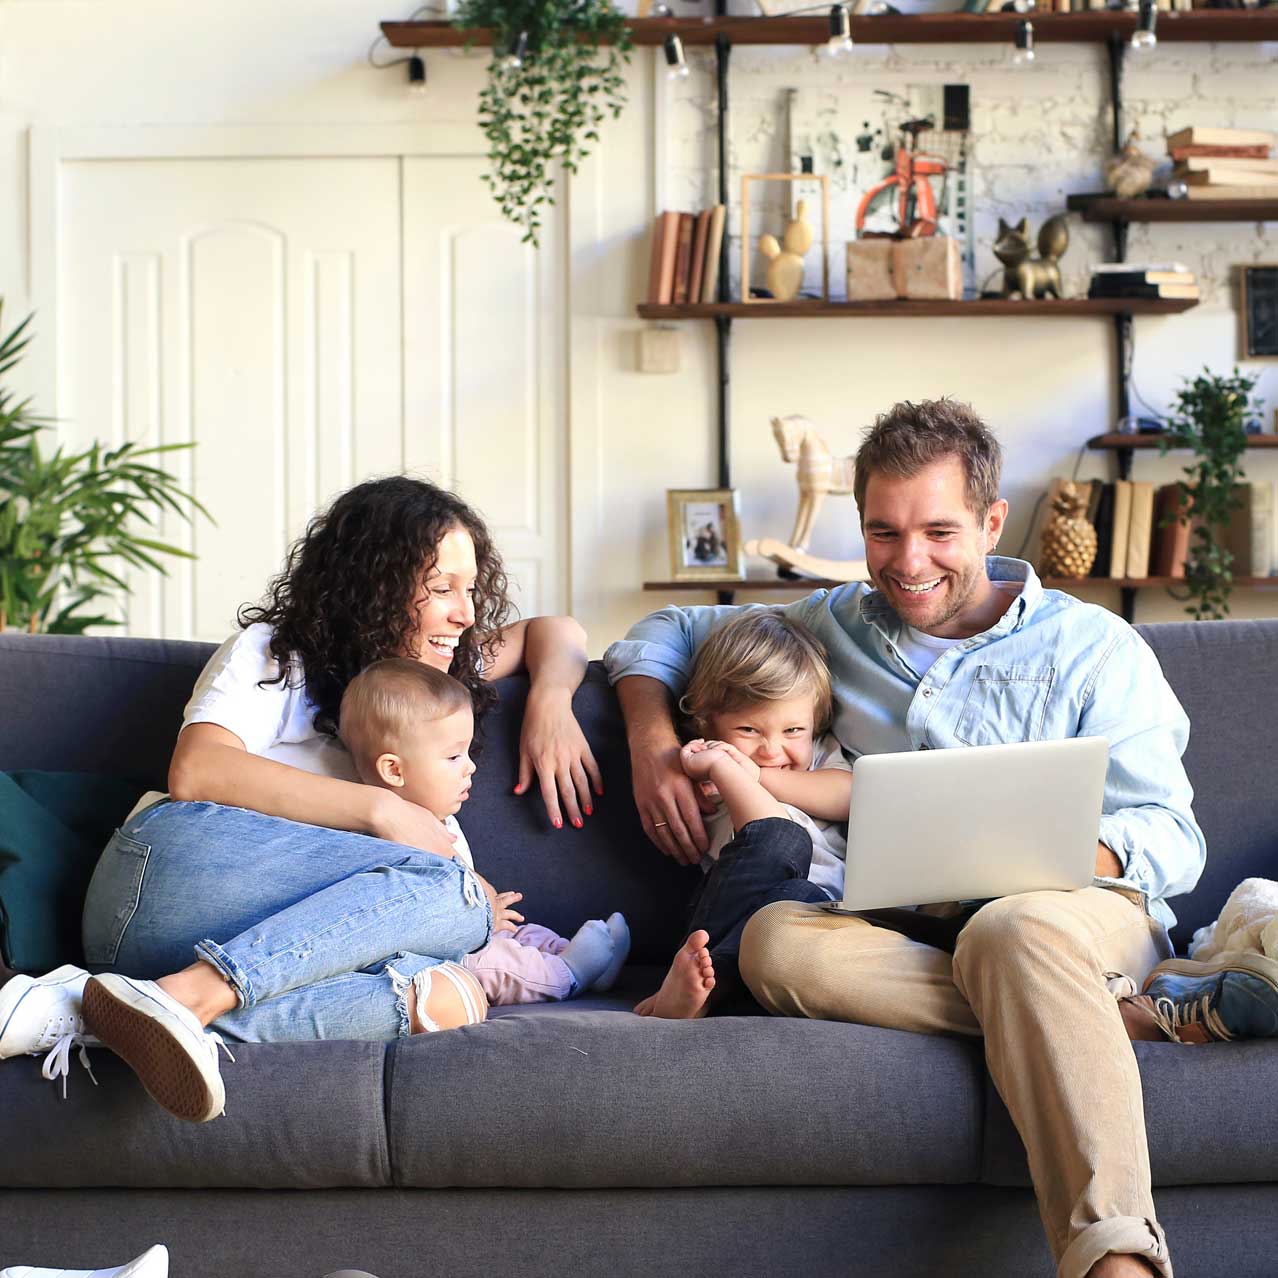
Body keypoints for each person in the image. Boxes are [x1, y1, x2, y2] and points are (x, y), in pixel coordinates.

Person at [603, 399, 1205, 1278]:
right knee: (773, 943)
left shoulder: (1096, 649)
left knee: (1015, 930)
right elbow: (661, 634)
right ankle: (1087, 1013)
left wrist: (1043, 858)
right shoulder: (829, 623)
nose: (908, 562)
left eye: (938, 531)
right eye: (883, 532)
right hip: (897, 927)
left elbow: (1171, 835)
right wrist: (653, 742)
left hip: (1070, 913)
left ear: (993, 522)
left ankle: (1118, 1262)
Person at [2, 476, 601, 1123]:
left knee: (448, 992)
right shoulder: (274, 655)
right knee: (459, 897)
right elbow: (197, 769)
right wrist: (383, 811)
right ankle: (193, 994)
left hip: (223, 950)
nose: (465, 613)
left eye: (470, 589)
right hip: (165, 879)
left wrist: (551, 700)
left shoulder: (435, 675)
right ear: (377, 583)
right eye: (442, 589)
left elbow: (557, 632)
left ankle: (93, 1010)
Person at [338, 658, 630, 1006]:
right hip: (438, 954)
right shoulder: (385, 834)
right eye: (453, 757)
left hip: (471, 929)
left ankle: (588, 961)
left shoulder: (438, 817)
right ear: (393, 770)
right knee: (493, 964)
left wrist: (488, 910)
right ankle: (569, 974)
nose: (471, 766)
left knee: (522, 934)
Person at [633, 611, 851, 1019]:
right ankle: (692, 991)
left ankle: (706, 1000)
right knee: (781, 844)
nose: (772, 750)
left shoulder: (817, 755)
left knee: (802, 897)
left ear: (816, 723)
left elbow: (850, 794)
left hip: (815, 920)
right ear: (706, 720)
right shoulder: (706, 764)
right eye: (749, 731)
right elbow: (772, 832)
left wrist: (755, 774)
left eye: (793, 731)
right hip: (736, 916)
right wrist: (726, 770)